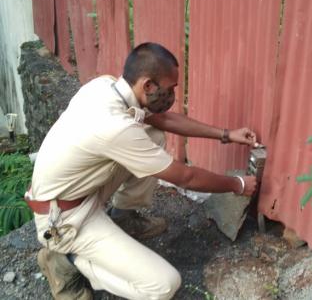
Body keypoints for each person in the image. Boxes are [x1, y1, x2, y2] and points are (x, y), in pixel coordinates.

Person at [25, 42, 258, 300]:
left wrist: (226, 135)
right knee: (164, 285)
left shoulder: (103, 86)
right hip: (64, 221)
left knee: (153, 133)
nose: (172, 97)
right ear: (148, 86)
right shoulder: (116, 127)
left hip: (77, 192)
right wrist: (238, 184)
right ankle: (66, 260)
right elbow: (185, 176)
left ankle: (123, 218)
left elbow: (164, 120)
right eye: (170, 89)